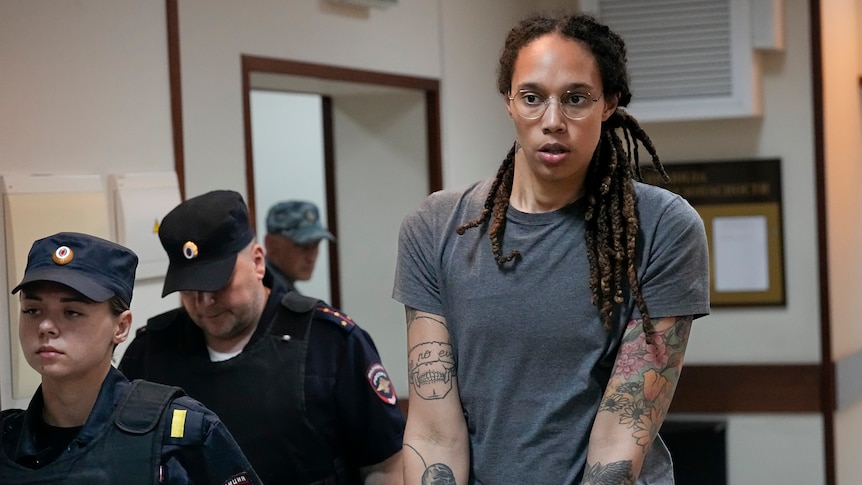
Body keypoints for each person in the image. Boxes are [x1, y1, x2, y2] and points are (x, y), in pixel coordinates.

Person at [393, 12, 710, 485]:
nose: (553, 121)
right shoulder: (436, 227)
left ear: (609, 104)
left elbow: (620, 437)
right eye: (532, 98)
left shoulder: (664, 226)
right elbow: (435, 433)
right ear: (509, 102)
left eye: (576, 99)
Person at [119, 190, 406, 485]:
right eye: (190, 289)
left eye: (217, 284)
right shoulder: (149, 352)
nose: (204, 302)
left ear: (258, 262)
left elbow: (385, 464)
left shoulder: (330, 344)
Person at [0, 232, 261, 485]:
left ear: (121, 327)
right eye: (32, 310)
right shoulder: (6, 440)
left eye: (72, 312)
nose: (46, 326)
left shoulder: (181, 433)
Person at [264, 200, 336, 293]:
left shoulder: (280, 289)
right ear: (271, 244)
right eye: (302, 246)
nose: (311, 257)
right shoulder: (266, 294)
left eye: (315, 245)